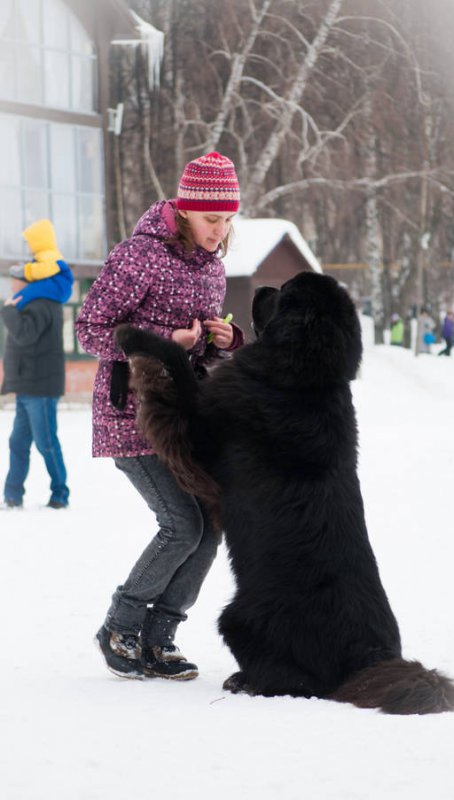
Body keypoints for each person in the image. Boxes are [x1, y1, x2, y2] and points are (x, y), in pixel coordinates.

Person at [75, 151, 244, 681]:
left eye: (227, 220)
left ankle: (160, 635)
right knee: (181, 525)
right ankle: (120, 626)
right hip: (132, 415)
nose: (220, 230)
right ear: (187, 211)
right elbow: (89, 330)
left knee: (210, 526)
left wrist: (224, 340)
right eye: (211, 219)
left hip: (184, 417)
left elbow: (202, 356)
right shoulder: (139, 256)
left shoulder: (212, 268)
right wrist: (162, 344)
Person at [1, 219, 73, 510]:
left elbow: (25, 336)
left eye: (14, 280)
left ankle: (60, 494)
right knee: (18, 443)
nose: (11, 284)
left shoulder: (40, 303)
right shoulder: (29, 303)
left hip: (40, 387)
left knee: (46, 444)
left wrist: (7, 312)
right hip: (27, 385)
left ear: (26, 282)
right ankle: (12, 495)